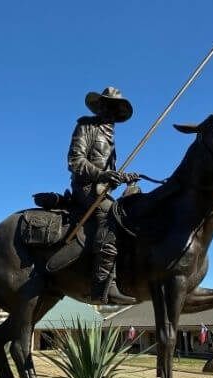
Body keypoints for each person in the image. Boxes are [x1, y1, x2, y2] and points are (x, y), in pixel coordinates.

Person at [67, 86, 138, 305]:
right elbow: (75, 161)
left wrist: (121, 178)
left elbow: (108, 177)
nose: (110, 112)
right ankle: (103, 286)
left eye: (115, 108)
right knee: (109, 216)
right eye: (107, 106)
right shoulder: (86, 126)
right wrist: (102, 174)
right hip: (85, 189)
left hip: (101, 189)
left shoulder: (111, 137)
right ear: (100, 106)